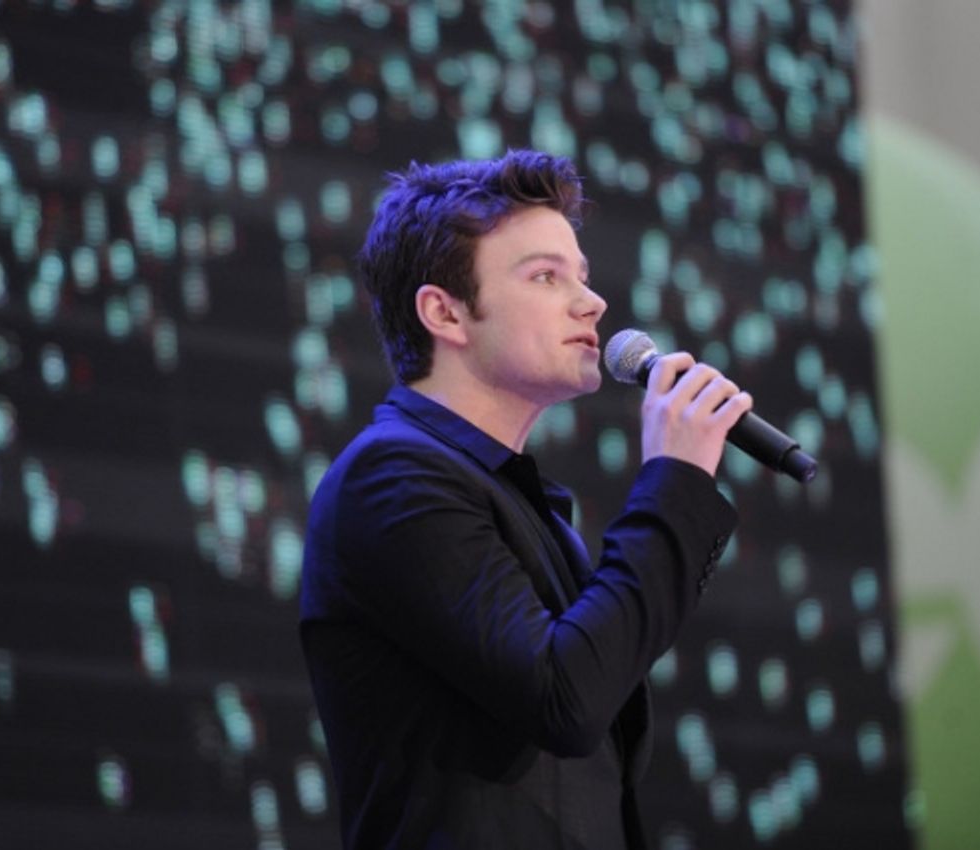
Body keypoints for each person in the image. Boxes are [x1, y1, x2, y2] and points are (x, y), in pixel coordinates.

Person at [299, 149, 753, 849]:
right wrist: (674, 483)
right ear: (445, 313)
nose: (592, 301)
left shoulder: (517, 502)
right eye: (545, 275)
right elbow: (565, 698)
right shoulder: (392, 477)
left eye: (583, 275)